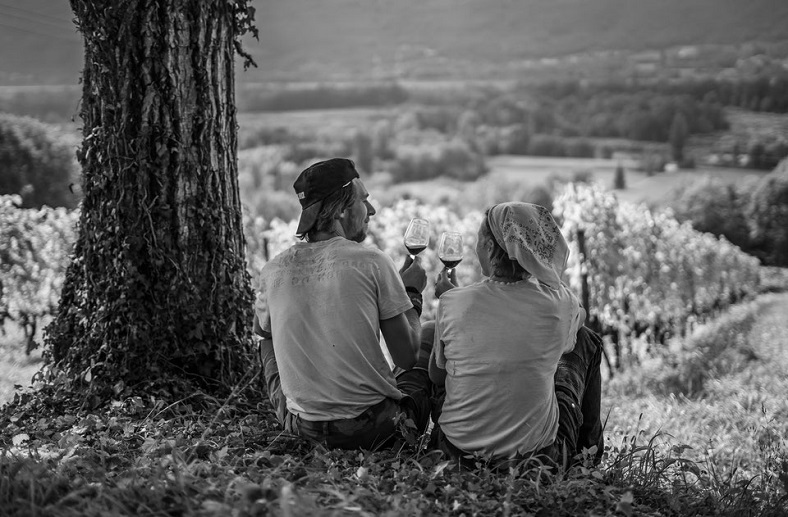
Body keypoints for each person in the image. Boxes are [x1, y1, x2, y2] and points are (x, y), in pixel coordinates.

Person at [253, 158, 435, 450]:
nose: (372, 211)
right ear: (339, 210)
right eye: (364, 201)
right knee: (430, 335)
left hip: (304, 429)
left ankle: (301, 405)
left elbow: (262, 334)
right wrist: (410, 292)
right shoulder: (371, 261)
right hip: (375, 431)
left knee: (265, 335)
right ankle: (445, 440)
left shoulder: (273, 269)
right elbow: (407, 357)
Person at [429, 202, 604, 468]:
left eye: (478, 241)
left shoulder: (452, 301)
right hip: (534, 459)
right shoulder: (560, 303)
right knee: (586, 339)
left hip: (456, 453)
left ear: (489, 248)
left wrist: (452, 300)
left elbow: (437, 377)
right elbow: (579, 316)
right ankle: (587, 459)